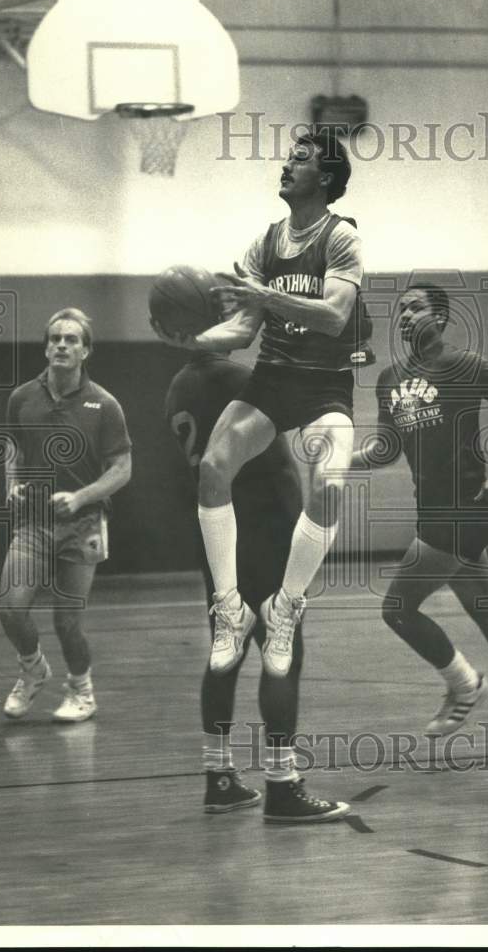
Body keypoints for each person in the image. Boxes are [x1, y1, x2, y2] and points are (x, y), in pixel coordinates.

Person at [154, 128, 373, 683]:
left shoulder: (342, 238)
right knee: (212, 468)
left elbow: (334, 315)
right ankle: (230, 609)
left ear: (323, 177)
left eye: (299, 158)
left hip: (325, 385)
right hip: (274, 378)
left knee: (329, 486)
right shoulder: (264, 242)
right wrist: (193, 341)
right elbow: (245, 327)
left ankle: (285, 607)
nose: (286, 164)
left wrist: (267, 296)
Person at [350, 283, 488, 750]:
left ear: (441, 319)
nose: (406, 315)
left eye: (417, 307)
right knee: (484, 606)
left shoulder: (463, 365)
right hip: (434, 510)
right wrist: (348, 458)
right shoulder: (390, 378)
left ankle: (465, 685)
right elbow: (388, 446)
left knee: (398, 609)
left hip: (466, 509)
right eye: (402, 309)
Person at [161, 341, 349, 822]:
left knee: (226, 646)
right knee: (283, 652)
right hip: (266, 524)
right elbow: (291, 443)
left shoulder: (178, 385)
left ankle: (219, 778)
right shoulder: (243, 376)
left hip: (219, 532)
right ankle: (282, 786)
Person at [0, 308, 132, 722]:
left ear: (86, 350)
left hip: (84, 524)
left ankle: (82, 691)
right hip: (33, 522)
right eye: (55, 337)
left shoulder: (105, 405)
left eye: (71, 339)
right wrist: (11, 488)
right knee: (10, 608)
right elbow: (13, 449)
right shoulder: (23, 397)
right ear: (46, 346)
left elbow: (123, 468)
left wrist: (80, 498)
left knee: (66, 622)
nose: (61, 344)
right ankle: (33, 669)